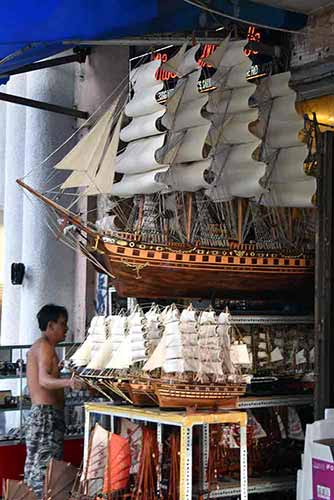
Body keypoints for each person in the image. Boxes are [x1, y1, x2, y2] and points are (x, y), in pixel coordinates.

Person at [24, 304, 81, 498]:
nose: (66, 329)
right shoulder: (45, 348)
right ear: (50, 325)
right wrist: (70, 382)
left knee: (35, 470)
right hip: (46, 415)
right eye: (63, 324)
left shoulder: (40, 347)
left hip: (42, 415)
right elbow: (44, 380)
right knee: (44, 471)